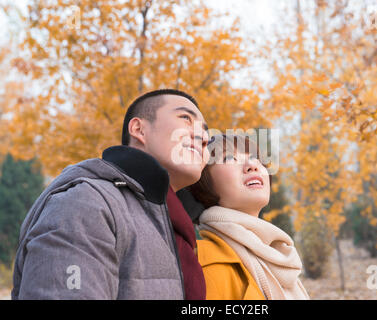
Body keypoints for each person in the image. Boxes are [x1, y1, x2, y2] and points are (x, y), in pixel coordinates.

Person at [12, 89, 210, 299]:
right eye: (186, 118)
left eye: (206, 131)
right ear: (138, 129)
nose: (203, 137)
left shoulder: (178, 226)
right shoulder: (86, 202)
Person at [189, 134, 310, 300]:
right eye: (229, 157)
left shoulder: (278, 257)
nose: (252, 165)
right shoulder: (207, 263)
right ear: (204, 182)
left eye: (255, 157)